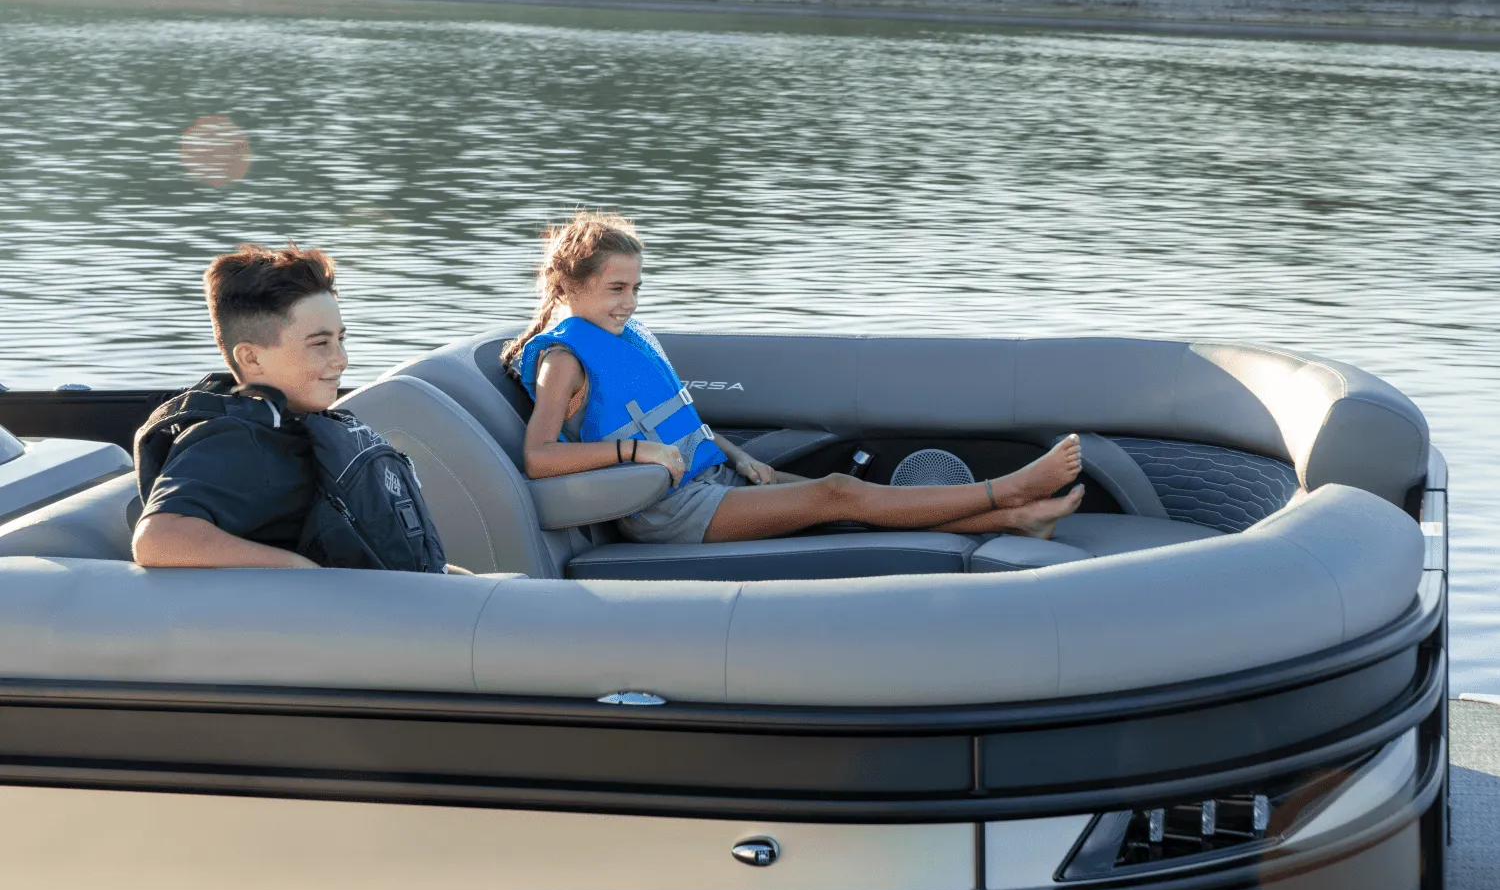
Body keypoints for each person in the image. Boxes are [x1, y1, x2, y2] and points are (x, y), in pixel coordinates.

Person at [505, 212, 1085, 545]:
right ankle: (1006, 491)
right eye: (616, 288)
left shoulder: (619, 337)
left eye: (636, 288)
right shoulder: (565, 359)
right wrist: (638, 452)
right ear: (570, 285)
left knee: (856, 504)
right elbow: (539, 457)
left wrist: (737, 455)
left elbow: (673, 419)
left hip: (708, 480)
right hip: (664, 510)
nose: (630, 302)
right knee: (837, 491)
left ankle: (1013, 519)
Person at [132, 243, 464, 573]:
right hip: (356, 603)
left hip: (399, 593)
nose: (341, 360)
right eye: (320, 343)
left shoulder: (305, 424)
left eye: (340, 339)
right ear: (252, 358)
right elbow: (157, 539)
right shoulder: (236, 440)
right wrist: (301, 571)